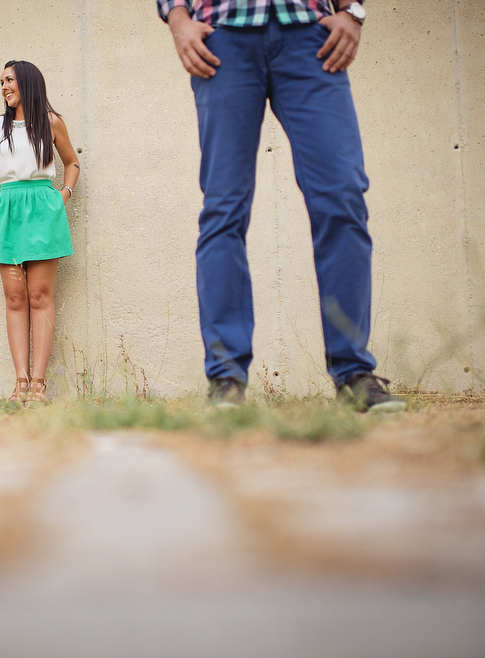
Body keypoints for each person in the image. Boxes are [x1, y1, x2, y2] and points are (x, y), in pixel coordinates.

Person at [157, 0, 405, 412]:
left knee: (342, 197)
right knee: (224, 209)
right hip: (223, 37)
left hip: (310, 36)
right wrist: (178, 19)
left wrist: (352, 12)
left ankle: (353, 374)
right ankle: (226, 379)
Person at [0, 60, 80, 404]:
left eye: (9, 80)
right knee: (14, 298)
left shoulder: (52, 123)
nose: (4, 87)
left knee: (40, 296)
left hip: (42, 208)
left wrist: (62, 196)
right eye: (1, 82)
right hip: (8, 210)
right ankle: (20, 383)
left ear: (26, 82)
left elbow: (72, 162)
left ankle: (38, 384)